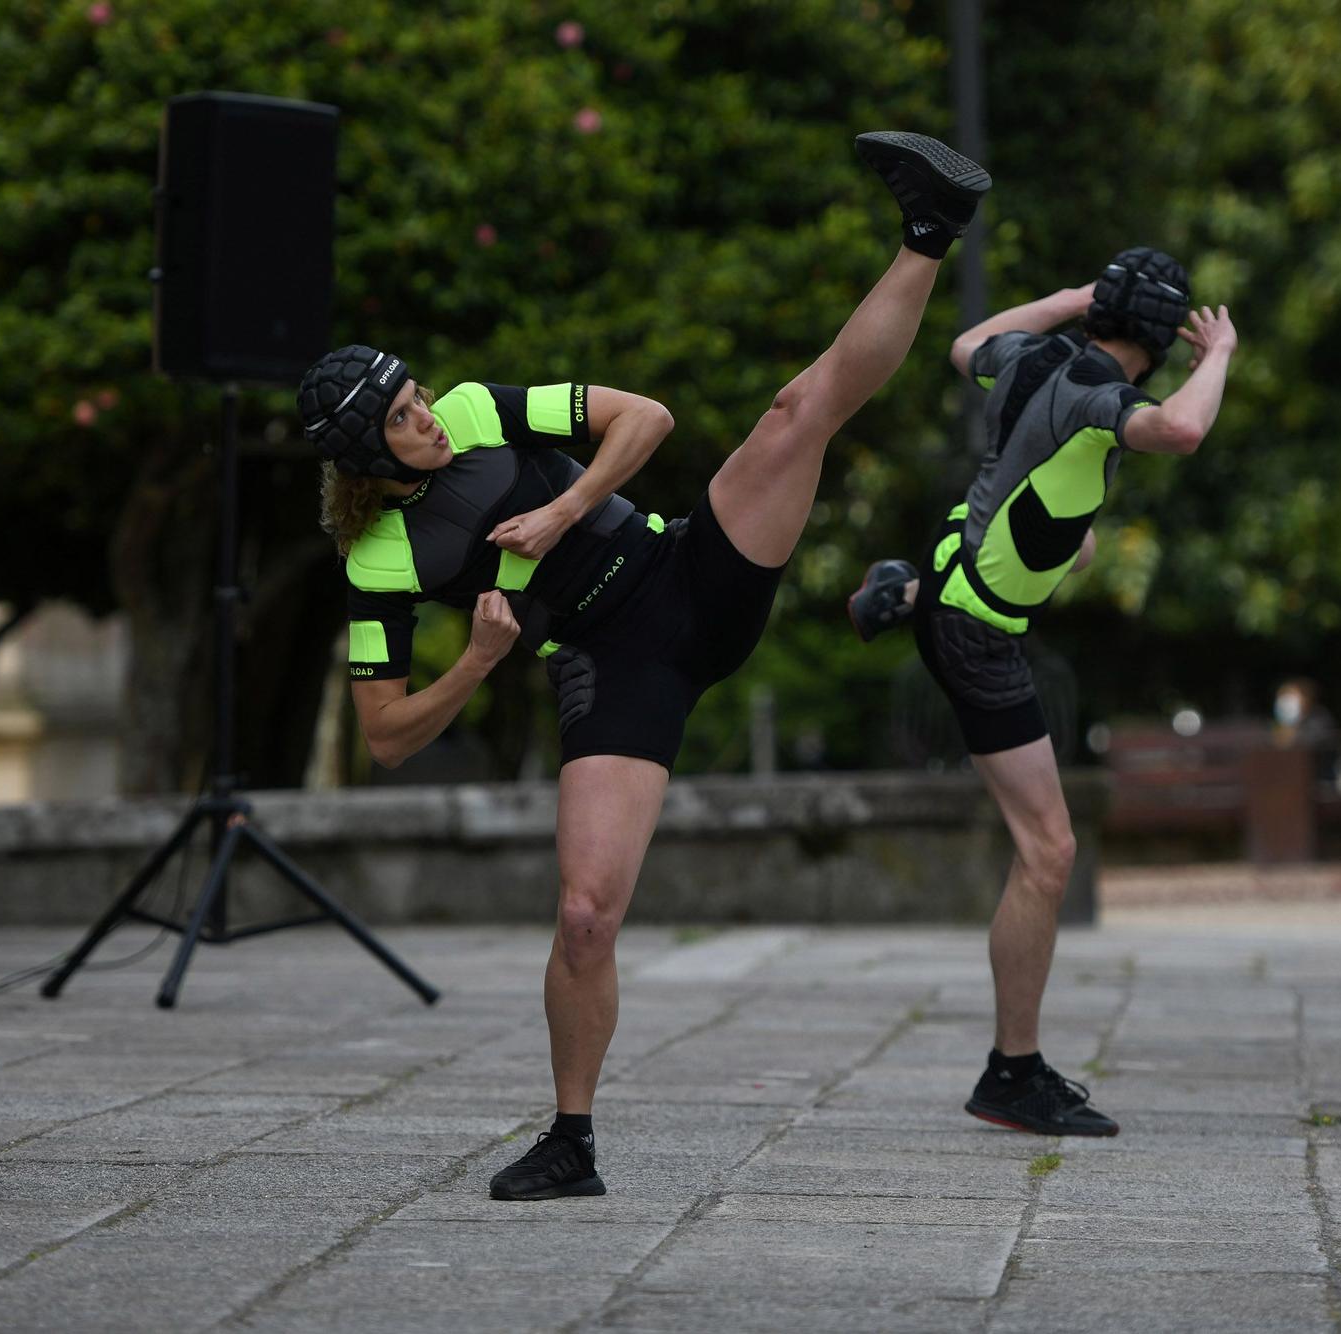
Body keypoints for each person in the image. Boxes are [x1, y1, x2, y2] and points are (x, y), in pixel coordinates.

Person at [297, 132, 990, 1201]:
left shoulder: (483, 409)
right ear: (364, 458)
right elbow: (385, 735)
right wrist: (480, 659)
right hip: (615, 666)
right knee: (584, 914)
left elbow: (646, 418)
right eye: (401, 418)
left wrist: (564, 505)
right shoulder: (376, 562)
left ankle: (928, 229)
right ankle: (571, 1140)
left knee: (798, 412)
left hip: (685, 571)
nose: (428, 417)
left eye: (417, 395)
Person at [849, 248, 1238, 1136]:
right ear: (1159, 341)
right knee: (1049, 852)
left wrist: (1070, 297)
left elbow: (966, 344)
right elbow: (1179, 432)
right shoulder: (1103, 399)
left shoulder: (1032, 358)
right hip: (978, 635)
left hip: (957, 576)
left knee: (1081, 541)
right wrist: (1216, 353)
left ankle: (898, 594)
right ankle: (1011, 1072)